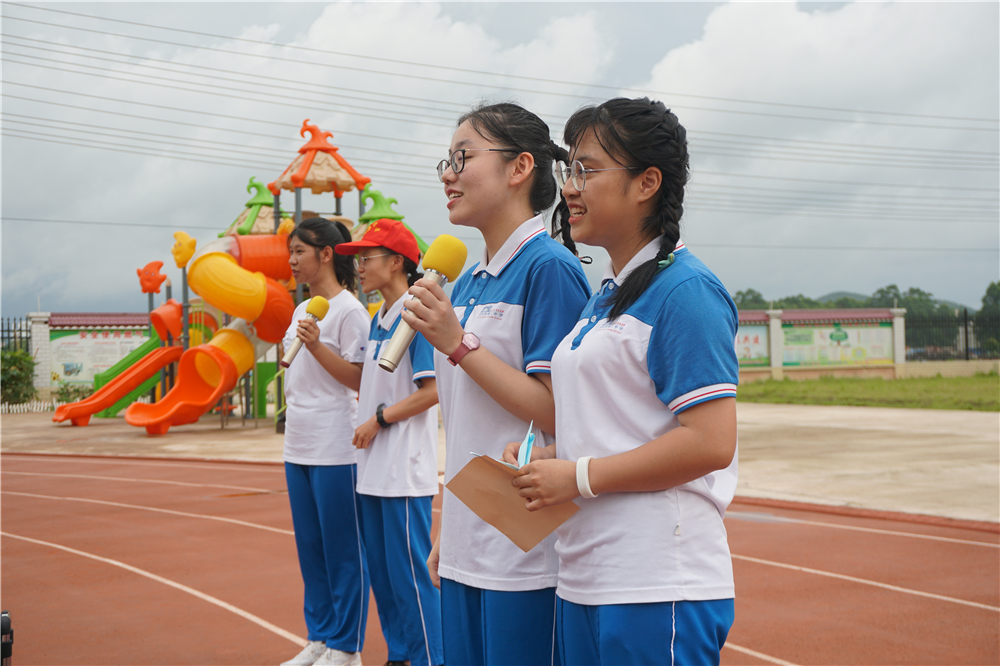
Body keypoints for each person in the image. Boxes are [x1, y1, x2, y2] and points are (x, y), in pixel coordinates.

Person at [504, 98, 740, 666]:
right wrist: (552, 459)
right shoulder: (605, 296)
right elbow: (622, 428)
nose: (570, 188)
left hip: (657, 581)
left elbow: (710, 442)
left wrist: (578, 476)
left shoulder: (686, 292)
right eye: (569, 171)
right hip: (588, 576)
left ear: (647, 183)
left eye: (587, 169)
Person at [400, 102, 592, 666]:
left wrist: (459, 344)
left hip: (524, 550)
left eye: (463, 158)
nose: (447, 174)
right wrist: (447, 528)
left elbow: (560, 412)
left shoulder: (548, 268)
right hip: (467, 541)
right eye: (447, 160)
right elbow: (464, 427)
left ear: (519, 168)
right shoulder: (466, 283)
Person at [334, 219, 444, 666]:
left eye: (367, 257)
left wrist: (380, 419)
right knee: (383, 575)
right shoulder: (380, 318)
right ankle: (400, 653)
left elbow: (433, 390)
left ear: (397, 261)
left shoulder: (415, 315)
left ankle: (431, 657)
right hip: (374, 471)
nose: (358, 266)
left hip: (403, 470)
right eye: (356, 258)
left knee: (411, 577)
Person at [281, 217, 371, 666]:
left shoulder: (351, 311)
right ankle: (319, 637)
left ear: (327, 254)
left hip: (336, 445)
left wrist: (317, 347)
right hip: (296, 444)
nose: (292, 260)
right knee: (311, 550)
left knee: (342, 552)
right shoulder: (303, 309)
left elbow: (360, 379)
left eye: (299, 251)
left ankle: (346, 647)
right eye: (290, 253)